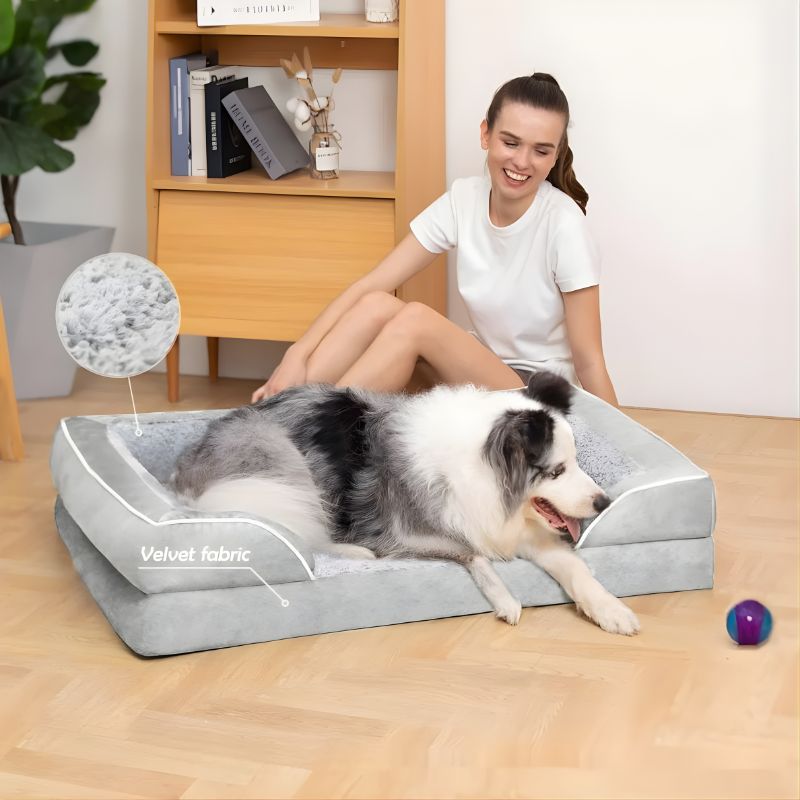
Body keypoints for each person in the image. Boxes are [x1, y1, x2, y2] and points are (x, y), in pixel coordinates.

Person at [251, 73, 619, 407]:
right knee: (377, 305)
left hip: (538, 398)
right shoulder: (465, 199)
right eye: (511, 142)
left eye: (541, 150)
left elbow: (590, 361)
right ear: (485, 134)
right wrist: (296, 354)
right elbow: (372, 285)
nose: (523, 161)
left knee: (415, 320)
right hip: (483, 376)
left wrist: (625, 455)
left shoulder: (564, 224)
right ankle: (282, 416)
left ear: (555, 156)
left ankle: (313, 433)